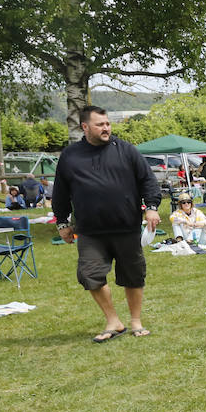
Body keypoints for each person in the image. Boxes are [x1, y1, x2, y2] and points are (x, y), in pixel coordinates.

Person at [50, 106, 161, 342]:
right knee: (89, 275)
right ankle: (113, 321)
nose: (106, 128)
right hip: (90, 231)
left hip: (126, 227)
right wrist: (62, 222)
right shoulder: (70, 156)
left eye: (107, 123)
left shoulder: (126, 150)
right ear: (85, 127)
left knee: (133, 275)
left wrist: (151, 207)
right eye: (100, 124)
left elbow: (147, 180)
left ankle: (136, 321)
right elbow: (60, 192)